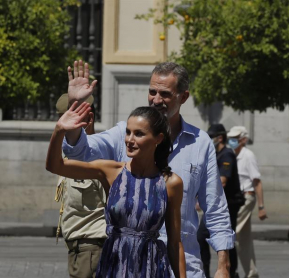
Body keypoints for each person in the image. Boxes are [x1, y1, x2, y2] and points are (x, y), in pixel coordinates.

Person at [62, 60, 235, 277]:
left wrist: (223, 264)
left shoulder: (200, 143)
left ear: (184, 97)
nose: (156, 100)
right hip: (130, 267)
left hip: (183, 267)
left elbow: (215, 206)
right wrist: (74, 107)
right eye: (152, 92)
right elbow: (79, 152)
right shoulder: (124, 134)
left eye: (165, 94)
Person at [46, 103, 186, 277]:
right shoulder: (111, 171)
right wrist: (59, 130)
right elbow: (55, 166)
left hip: (151, 268)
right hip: (114, 266)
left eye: (139, 134)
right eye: (128, 132)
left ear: (158, 139)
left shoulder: (171, 183)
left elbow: (174, 243)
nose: (129, 139)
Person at [55, 94, 107, 278]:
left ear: (88, 120)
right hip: (77, 247)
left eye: (72, 122)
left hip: (92, 247)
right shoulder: (67, 155)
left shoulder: (99, 159)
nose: (65, 128)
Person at [198, 124, 244, 278]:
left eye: (211, 136)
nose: (209, 139)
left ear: (220, 137)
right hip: (218, 202)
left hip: (229, 203)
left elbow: (222, 181)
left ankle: (231, 271)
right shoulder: (215, 154)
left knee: (224, 236)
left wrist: (204, 197)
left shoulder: (227, 155)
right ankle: (206, 271)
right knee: (205, 236)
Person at [227, 126, 267, 278]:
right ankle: (252, 273)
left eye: (235, 138)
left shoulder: (248, 155)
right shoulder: (230, 154)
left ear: (243, 140)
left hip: (246, 198)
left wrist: (261, 206)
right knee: (244, 239)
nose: (232, 141)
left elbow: (257, 181)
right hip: (235, 199)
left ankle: (230, 270)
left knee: (232, 234)